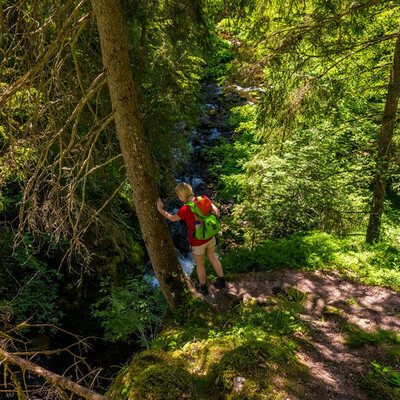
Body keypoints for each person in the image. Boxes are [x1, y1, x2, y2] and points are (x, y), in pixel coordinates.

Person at [156, 182, 226, 295]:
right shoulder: (204, 198)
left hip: (197, 241)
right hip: (210, 236)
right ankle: (222, 281)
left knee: (200, 264)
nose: (178, 198)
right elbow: (217, 213)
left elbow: (172, 218)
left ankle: (203, 287)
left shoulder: (185, 209)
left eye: (178, 195)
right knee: (213, 258)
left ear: (182, 196)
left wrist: (160, 210)